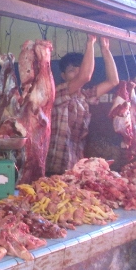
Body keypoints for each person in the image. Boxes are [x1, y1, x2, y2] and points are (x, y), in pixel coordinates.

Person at [46, 34, 119, 175]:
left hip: (76, 168)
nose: (77, 73)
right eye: (72, 70)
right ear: (63, 76)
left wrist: (105, 49)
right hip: (54, 167)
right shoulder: (58, 92)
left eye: (79, 68)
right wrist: (90, 43)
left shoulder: (84, 96)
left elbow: (113, 81)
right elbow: (85, 76)